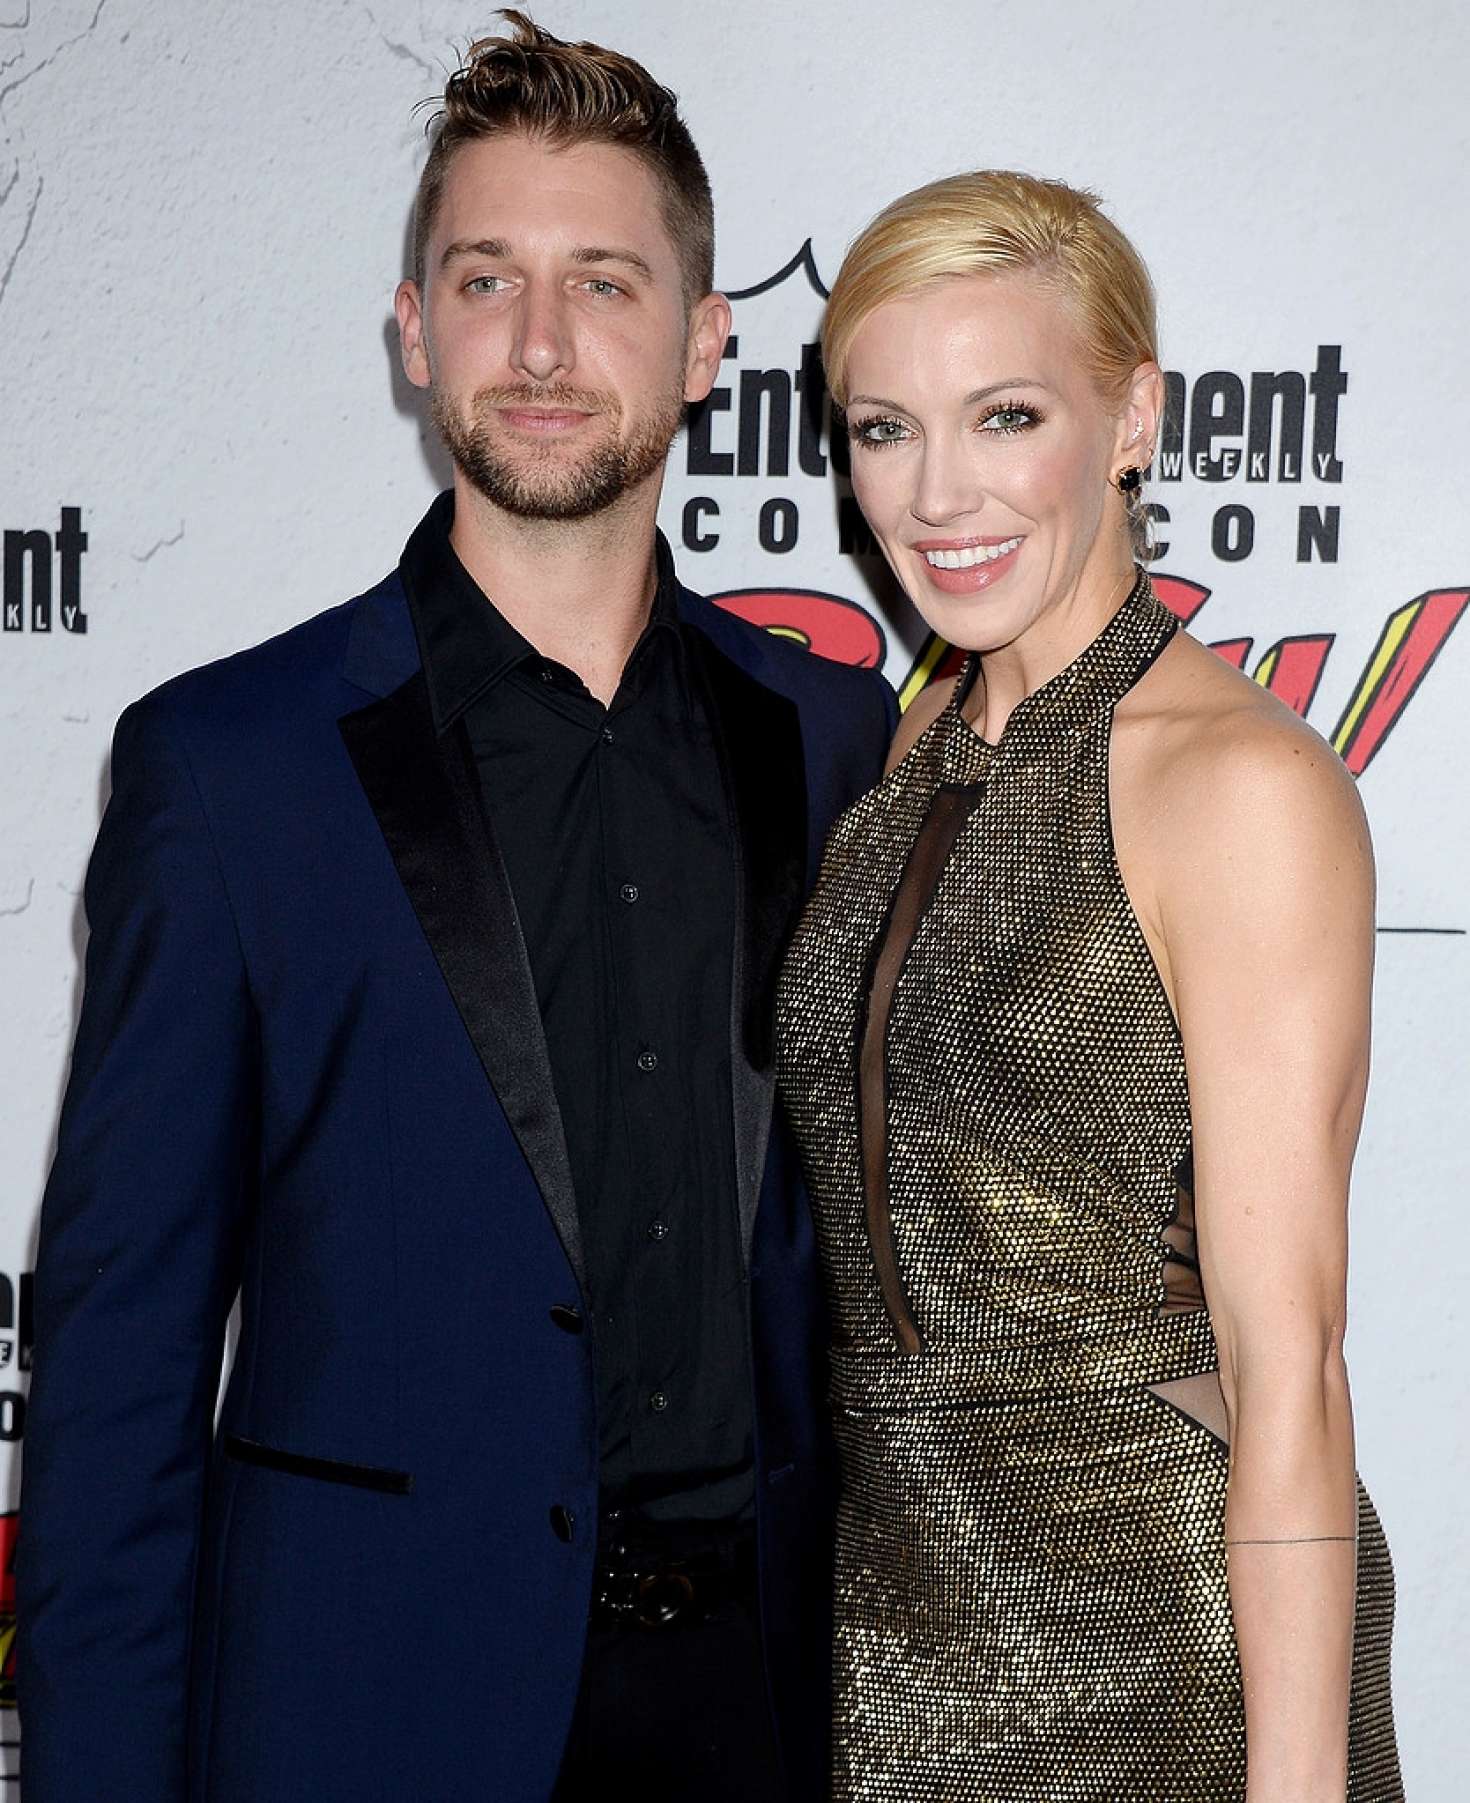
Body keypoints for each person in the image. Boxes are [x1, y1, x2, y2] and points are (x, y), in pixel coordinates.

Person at [17, 15, 895, 1801]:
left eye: (604, 283)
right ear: (414, 331)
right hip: (367, 1713)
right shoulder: (229, 768)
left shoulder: (834, 738)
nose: (542, 343)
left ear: (706, 343)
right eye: (487, 280)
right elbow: (119, 1365)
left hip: (763, 1714)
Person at [776, 170, 1402, 1800]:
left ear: (1131, 419)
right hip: (902, 1613)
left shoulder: (1236, 786)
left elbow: (1287, 1361)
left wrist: (1296, 1785)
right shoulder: (915, 749)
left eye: (1004, 416)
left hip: (1156, 1634)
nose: (937, 493)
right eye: (883, 429)